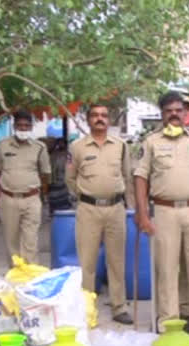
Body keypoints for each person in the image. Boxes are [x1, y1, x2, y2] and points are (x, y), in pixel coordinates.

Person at [134, 91, 189, 342]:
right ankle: (169, 323)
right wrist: (142, 214)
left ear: (185, 113)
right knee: (167, 268)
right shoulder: (151, 142)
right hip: (164, 211)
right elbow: (140, 178)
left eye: (178, 110)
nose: (174, 114)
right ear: (162, 114)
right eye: (168, 110)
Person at [66, 104, 133, 324]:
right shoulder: (77, 147)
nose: (100, 119)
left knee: (117, 260)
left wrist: (130, 206)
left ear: (110, 119)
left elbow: (127, 177)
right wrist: (85, 195)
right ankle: (86, 308)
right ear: (88, 119)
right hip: (88, 210)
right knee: (87, 261)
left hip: (115, 209)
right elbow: (70, 178)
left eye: (104, 115)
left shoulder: (121, 146)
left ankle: (119, 306)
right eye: (95, 115)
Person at [0, 110, 50, 265]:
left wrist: (41, 195)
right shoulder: (2, 145)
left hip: (31, 199)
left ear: (31, 127)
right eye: (20, 125)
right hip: (8, 199)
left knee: (31, 241)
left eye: (26, 126)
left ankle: (30, 278)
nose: (23, 129)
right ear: (14, 126)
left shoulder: (39, 147)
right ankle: (15, 276)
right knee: (11, 241)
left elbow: (45, 173)